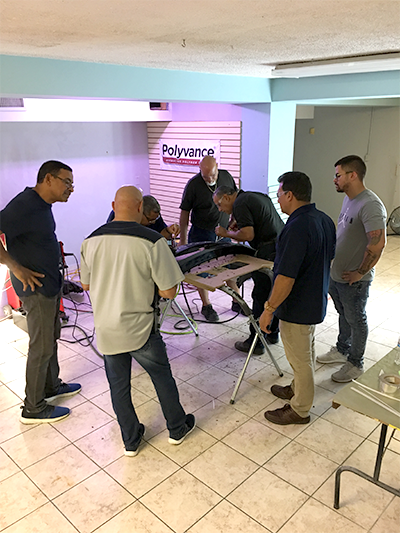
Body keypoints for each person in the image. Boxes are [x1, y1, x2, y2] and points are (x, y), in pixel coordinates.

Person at [80, 186, 195, 456]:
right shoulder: (152, 241)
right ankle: (177, 428)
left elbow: (85, 284)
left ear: (113, 205)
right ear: (141, 206)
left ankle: (131, 441)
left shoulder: (90, 240)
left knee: (119, 387)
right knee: (161, 377)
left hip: (107, 328)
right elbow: (168, 291)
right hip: (141, 328)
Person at [0, 160, 81, 424]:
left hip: (50, 286)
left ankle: (51, 386)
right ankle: (33, 407)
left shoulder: (42, 205)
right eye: (66, 182)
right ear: (48, 179)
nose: (71, 188)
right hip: (36, 290)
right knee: (41, 346)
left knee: (50, 339)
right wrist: (15, 266)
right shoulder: (25, 204)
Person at [260, 172, 336, 425]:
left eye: (279, 194)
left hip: (297, 307)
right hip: (314, 301)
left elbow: (286, 277)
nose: (278, 199)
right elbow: (325, 259)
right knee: (306, 350)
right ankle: (297, 387)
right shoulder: (323, 220)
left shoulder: (296, 227)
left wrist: (269, 308)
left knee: (299, 358)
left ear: (290, 195)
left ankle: (300, 409)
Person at [316, 155, 386, 382]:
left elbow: (377, 244)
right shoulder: (350, 199)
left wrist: (360, 272)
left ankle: (355, 363)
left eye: (338, 175)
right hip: (338, 273)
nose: (334, 179)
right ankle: (342, 349)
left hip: (354, 279)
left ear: (352, 175)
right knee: (344, 314)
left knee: (356, 319)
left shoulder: (371, 205)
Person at [213, 185, 285, 353]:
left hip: (267, 250)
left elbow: (248, 235)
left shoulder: (240, 204)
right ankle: (272, 333)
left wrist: (226, 234)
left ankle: (256, 342)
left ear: (228, 197)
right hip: (280, 246)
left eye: (219, 204)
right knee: (273, 292)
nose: (220, 210)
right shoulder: (254, 195)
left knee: (260, 295)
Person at [179, 155, 239, 321]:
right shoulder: (193, 185)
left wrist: (235, 222)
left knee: (230, 267)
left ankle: (236, 301)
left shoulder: (226, 177)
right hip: (201, 232)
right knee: (202, 270)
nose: (210, 179)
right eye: (206, 177)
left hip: (224, 231)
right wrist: (183, 241)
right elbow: (184, 213)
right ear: (200, 171)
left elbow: (235, 200)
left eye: (213, 175)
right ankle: (206, 306)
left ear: (217, 168)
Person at [107, 194, 180, 240]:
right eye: (150, 220)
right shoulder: (119, 216)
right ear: (140, 212)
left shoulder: (155, 217)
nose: (154, 222)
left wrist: (168, 230)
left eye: (156, 219)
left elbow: (161, 237)